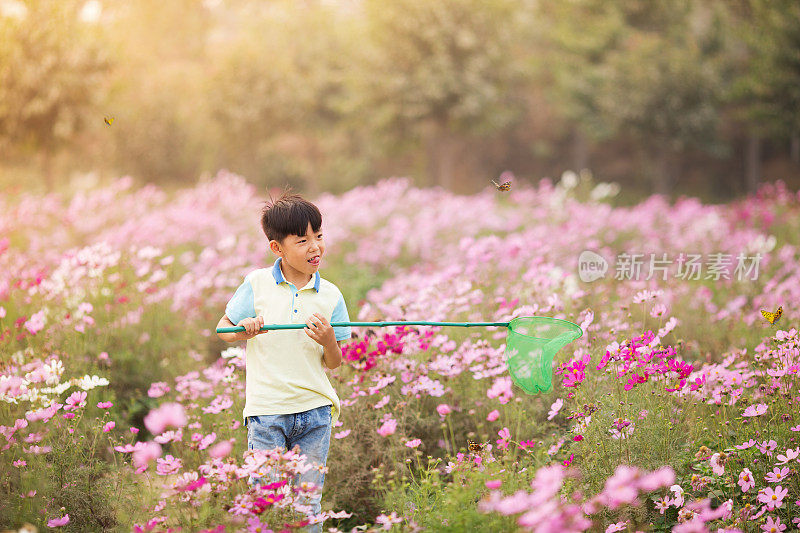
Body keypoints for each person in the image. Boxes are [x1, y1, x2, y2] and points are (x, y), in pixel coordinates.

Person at [216, 189, 351, 532]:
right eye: (303, 240)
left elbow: (334, 362)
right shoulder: (257, 283)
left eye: (319, 236)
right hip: (267, 412)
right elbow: (223, 329)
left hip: (315, 412)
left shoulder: (331, 295)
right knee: (266, 501)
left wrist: (327, 339)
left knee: (308, 504)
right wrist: (243, 330)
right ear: (277, 247)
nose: (315, 247)